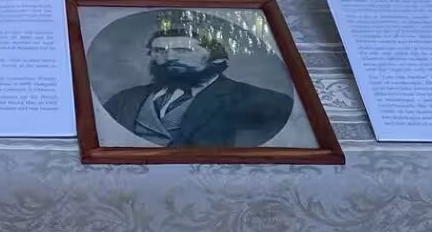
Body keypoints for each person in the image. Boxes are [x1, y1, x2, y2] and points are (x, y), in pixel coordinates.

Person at [102, 19, 293, 148]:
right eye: (159, 51)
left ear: (215, 57)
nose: (169, 57)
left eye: (183, 50)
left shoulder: (262, 101)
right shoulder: (124, 100)